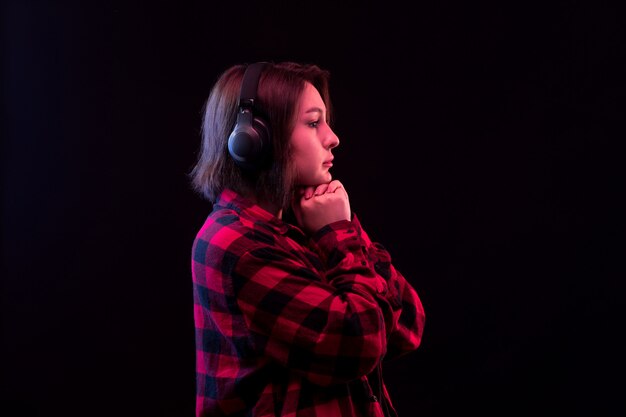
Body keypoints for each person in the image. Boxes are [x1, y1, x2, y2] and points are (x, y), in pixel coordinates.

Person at [189, 61, 426, 417]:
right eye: (314, 123)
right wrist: (340, 234)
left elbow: (407, 324)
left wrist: (341, 230)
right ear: (253, 139)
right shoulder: (237, 245)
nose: (333, 138)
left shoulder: (303, 225)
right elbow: (358, 343)